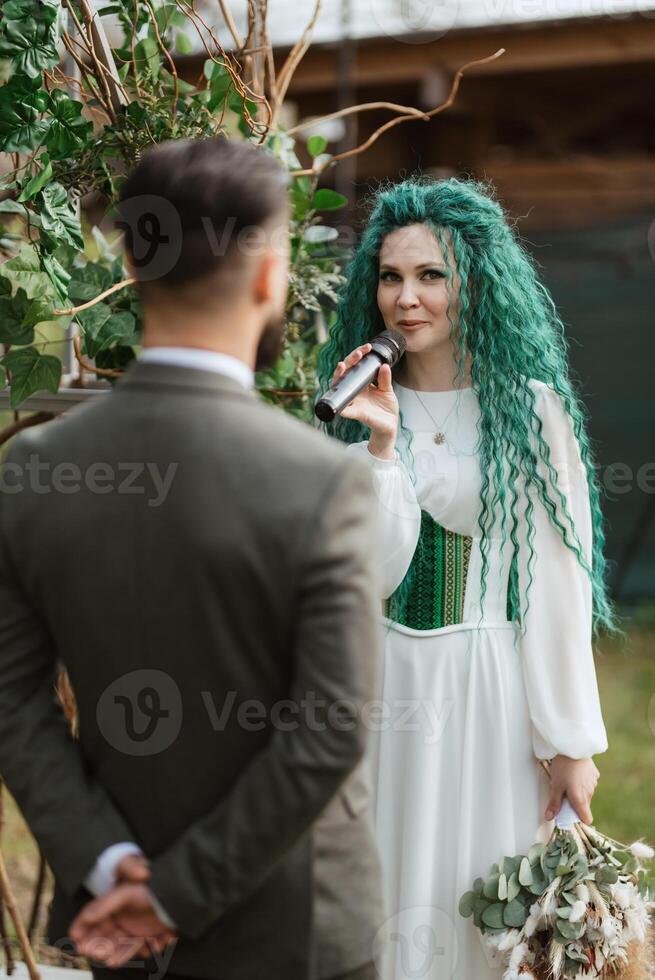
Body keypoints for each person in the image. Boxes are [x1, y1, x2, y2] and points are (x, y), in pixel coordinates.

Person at [0, 137, 386, 980]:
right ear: (264, 275)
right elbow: (330, 729)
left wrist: (106, 863)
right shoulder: (321, 481)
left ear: (136, 270)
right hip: (301, 928)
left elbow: (10, 698)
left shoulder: (33, 470)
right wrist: (175, 892)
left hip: (120, 922)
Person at [316, 176, 616, 979]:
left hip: (489, 688)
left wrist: (569, 743)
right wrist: (379, 449)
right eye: (389, 276)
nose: (404, 298)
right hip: (384, 689)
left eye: (429, 275)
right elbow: (371, 573)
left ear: (471, 283)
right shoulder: (360, 407)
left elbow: (557, 586)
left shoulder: (529, 409)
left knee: (479, 900)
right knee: (382, 896)